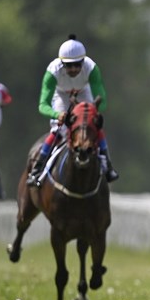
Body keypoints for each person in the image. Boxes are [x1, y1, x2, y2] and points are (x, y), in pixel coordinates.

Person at [26, 34, 119, 186]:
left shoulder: (92, 68)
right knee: (59, 130)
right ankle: (38, 168)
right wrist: (57, 114)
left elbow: (102, 100)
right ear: (61, 63)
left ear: (84, 61)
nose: (74, 69)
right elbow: (43, 104)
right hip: (61, 94)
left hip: (84, 92)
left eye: (77, 64)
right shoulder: (52, 72)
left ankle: (108, 166)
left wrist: (93, 110)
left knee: (91, 127)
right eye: (68, 65)